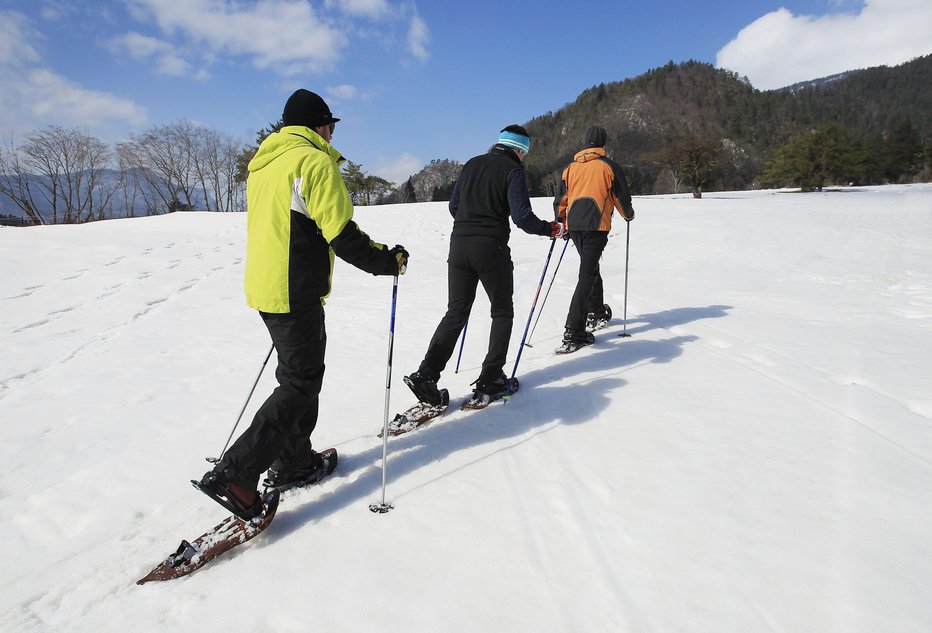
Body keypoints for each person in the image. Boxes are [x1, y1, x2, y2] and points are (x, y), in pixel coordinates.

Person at [194, 89, 408, 519]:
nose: (332, 134)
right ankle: (237, 474)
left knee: (299, 374)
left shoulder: (266, 162)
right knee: (300, 383)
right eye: (330, 125)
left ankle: (294, 461)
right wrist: (387, 260)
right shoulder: (313, 161)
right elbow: (341, 233)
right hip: (294, 288)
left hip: (267, 286)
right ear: (318, 126)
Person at [404, 125, 564, 409]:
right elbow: (522, 217)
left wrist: (471, 219)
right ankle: (491, 378)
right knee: (502, 312)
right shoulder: (512, 170)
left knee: (455, 312)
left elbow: (454, 207)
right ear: (519, 149)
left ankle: (426, 374)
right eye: (524, 152)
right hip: (491, 248)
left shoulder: (472, 164)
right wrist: (549, 229)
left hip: (459, 246)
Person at [553, 125, 634, 351]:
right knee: (586, 274)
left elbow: (561, 199)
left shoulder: (570, 168)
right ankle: (573, 330)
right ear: (602, 143)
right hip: (596, 227)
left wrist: (560, 222)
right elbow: (620, 197)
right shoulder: (609, 166)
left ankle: (596, 311)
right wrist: (628, 215)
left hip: (575, 227)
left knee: (590, 268)